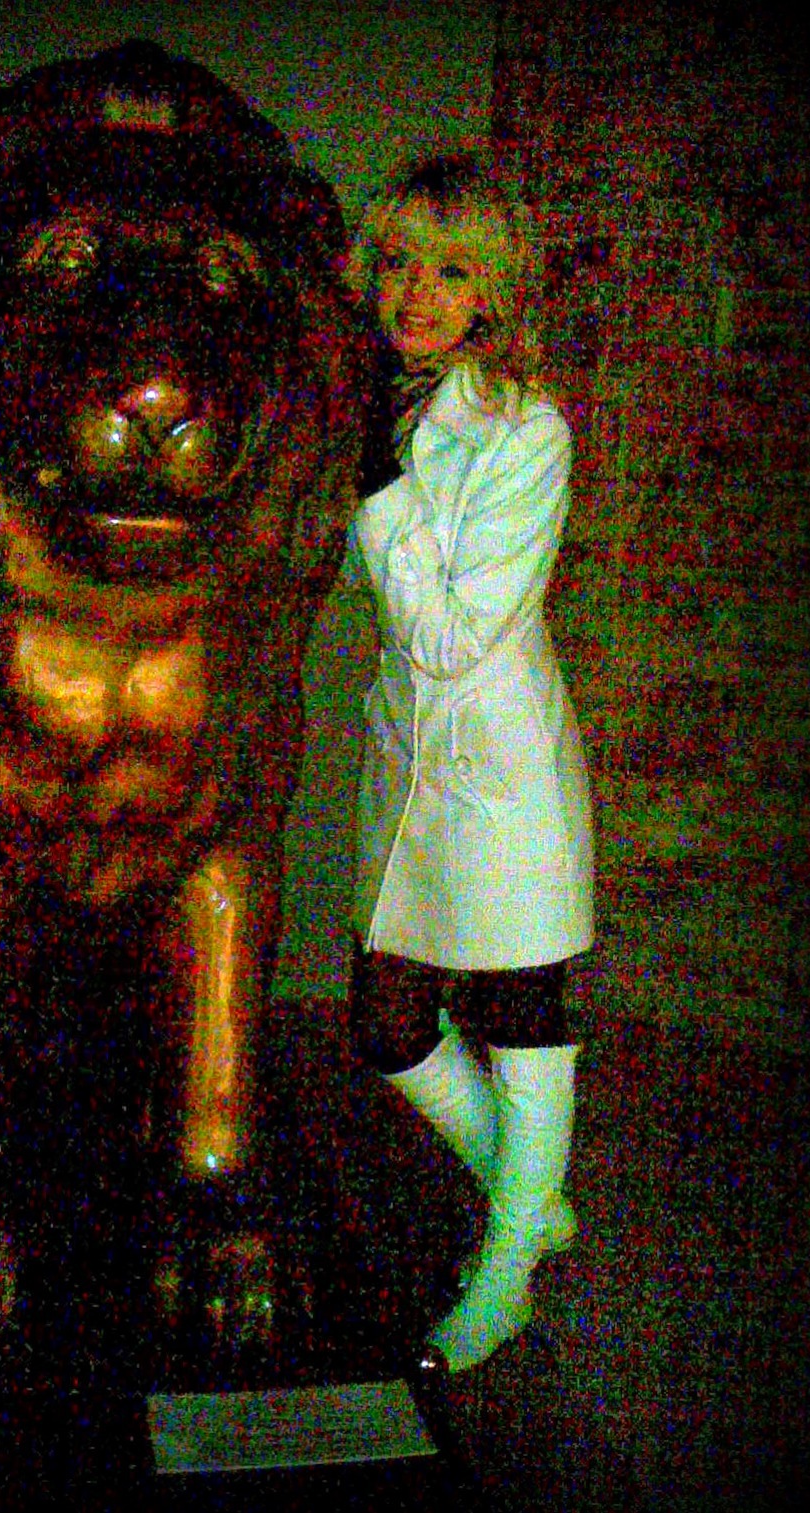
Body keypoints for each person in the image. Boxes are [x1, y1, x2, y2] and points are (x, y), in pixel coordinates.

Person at [346, 154, 594, 1373]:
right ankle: (526, 1193)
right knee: (388, 1023)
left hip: (500, 766)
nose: (416, 293)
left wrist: (378, 486)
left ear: (495, 289)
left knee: (522, 1009)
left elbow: (450, 637)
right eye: (397, 262)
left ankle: (502, 1281)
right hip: (410, 761)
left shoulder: (526, 429)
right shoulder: (382, 403)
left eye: (451, 270)